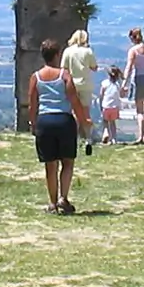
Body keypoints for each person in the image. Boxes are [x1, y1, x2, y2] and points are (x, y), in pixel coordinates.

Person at [28, 38, 91, 215]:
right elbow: (74, 100)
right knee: (67, 161)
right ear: (57, 55)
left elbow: (32, 104)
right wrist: (83, 120)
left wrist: (33, 123)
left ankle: (52, 202)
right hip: (64, 121)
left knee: (50, 164)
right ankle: (64, 197)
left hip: (45, 121)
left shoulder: (36, 77)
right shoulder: (64, 75)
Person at [61, 29, 98, 153]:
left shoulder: (68, 51)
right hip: (86, 84)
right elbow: (94, 67)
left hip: (71, 84)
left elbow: (63, 69)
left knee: (73, 112)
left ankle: (73, 138)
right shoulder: (88, 51)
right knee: (85, 112)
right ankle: (87, 138)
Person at [99, 66, 124, 144]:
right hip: (115, 107)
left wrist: (100, 104)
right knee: (112, 123)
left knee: (105, 121)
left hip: (106, 106)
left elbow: (101, 94)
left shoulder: (104, 83)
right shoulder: (118, 84)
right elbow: (121, 94)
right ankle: (114, 138)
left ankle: (106, 133)